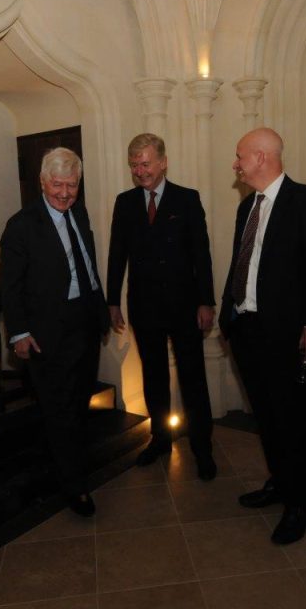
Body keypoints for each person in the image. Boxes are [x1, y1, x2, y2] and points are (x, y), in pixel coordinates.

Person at [219, 127, 306, 545]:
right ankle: (281, 483)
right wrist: (227, 317)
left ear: (262, 157)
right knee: (266, 418)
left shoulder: (305, 202)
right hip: (247, 330)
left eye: (240, 157)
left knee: (292, 421)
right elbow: (241, 264)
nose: (236, 164)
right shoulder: (246, 207)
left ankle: (301, 502)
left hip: (288, 336)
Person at [0, 147, 109, 518]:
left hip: (85, 321)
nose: (65, 193)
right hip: (49, 330)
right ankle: (75, 487)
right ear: (42, 182)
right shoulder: (22, 224)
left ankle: (70, 464)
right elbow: (10, 287)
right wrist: (19, 333)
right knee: (59, 408)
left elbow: (87, 267)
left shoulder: (79, 211)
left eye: (72, 185)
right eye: (58, 185)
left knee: (79, 403)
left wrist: (102, 310)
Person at [106, 134, 217, 480]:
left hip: (185, 306)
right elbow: (116, 255)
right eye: (135, 165)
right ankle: (160, 440)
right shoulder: (124, 203)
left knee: (192, 378)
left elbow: (201, 253)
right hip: (144, 306)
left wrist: (206, 300)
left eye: (146, 163)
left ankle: (203, 448)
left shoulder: (187, 199)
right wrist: (112, 301)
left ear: (163, 162)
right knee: (153, 376)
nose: (141, 171)